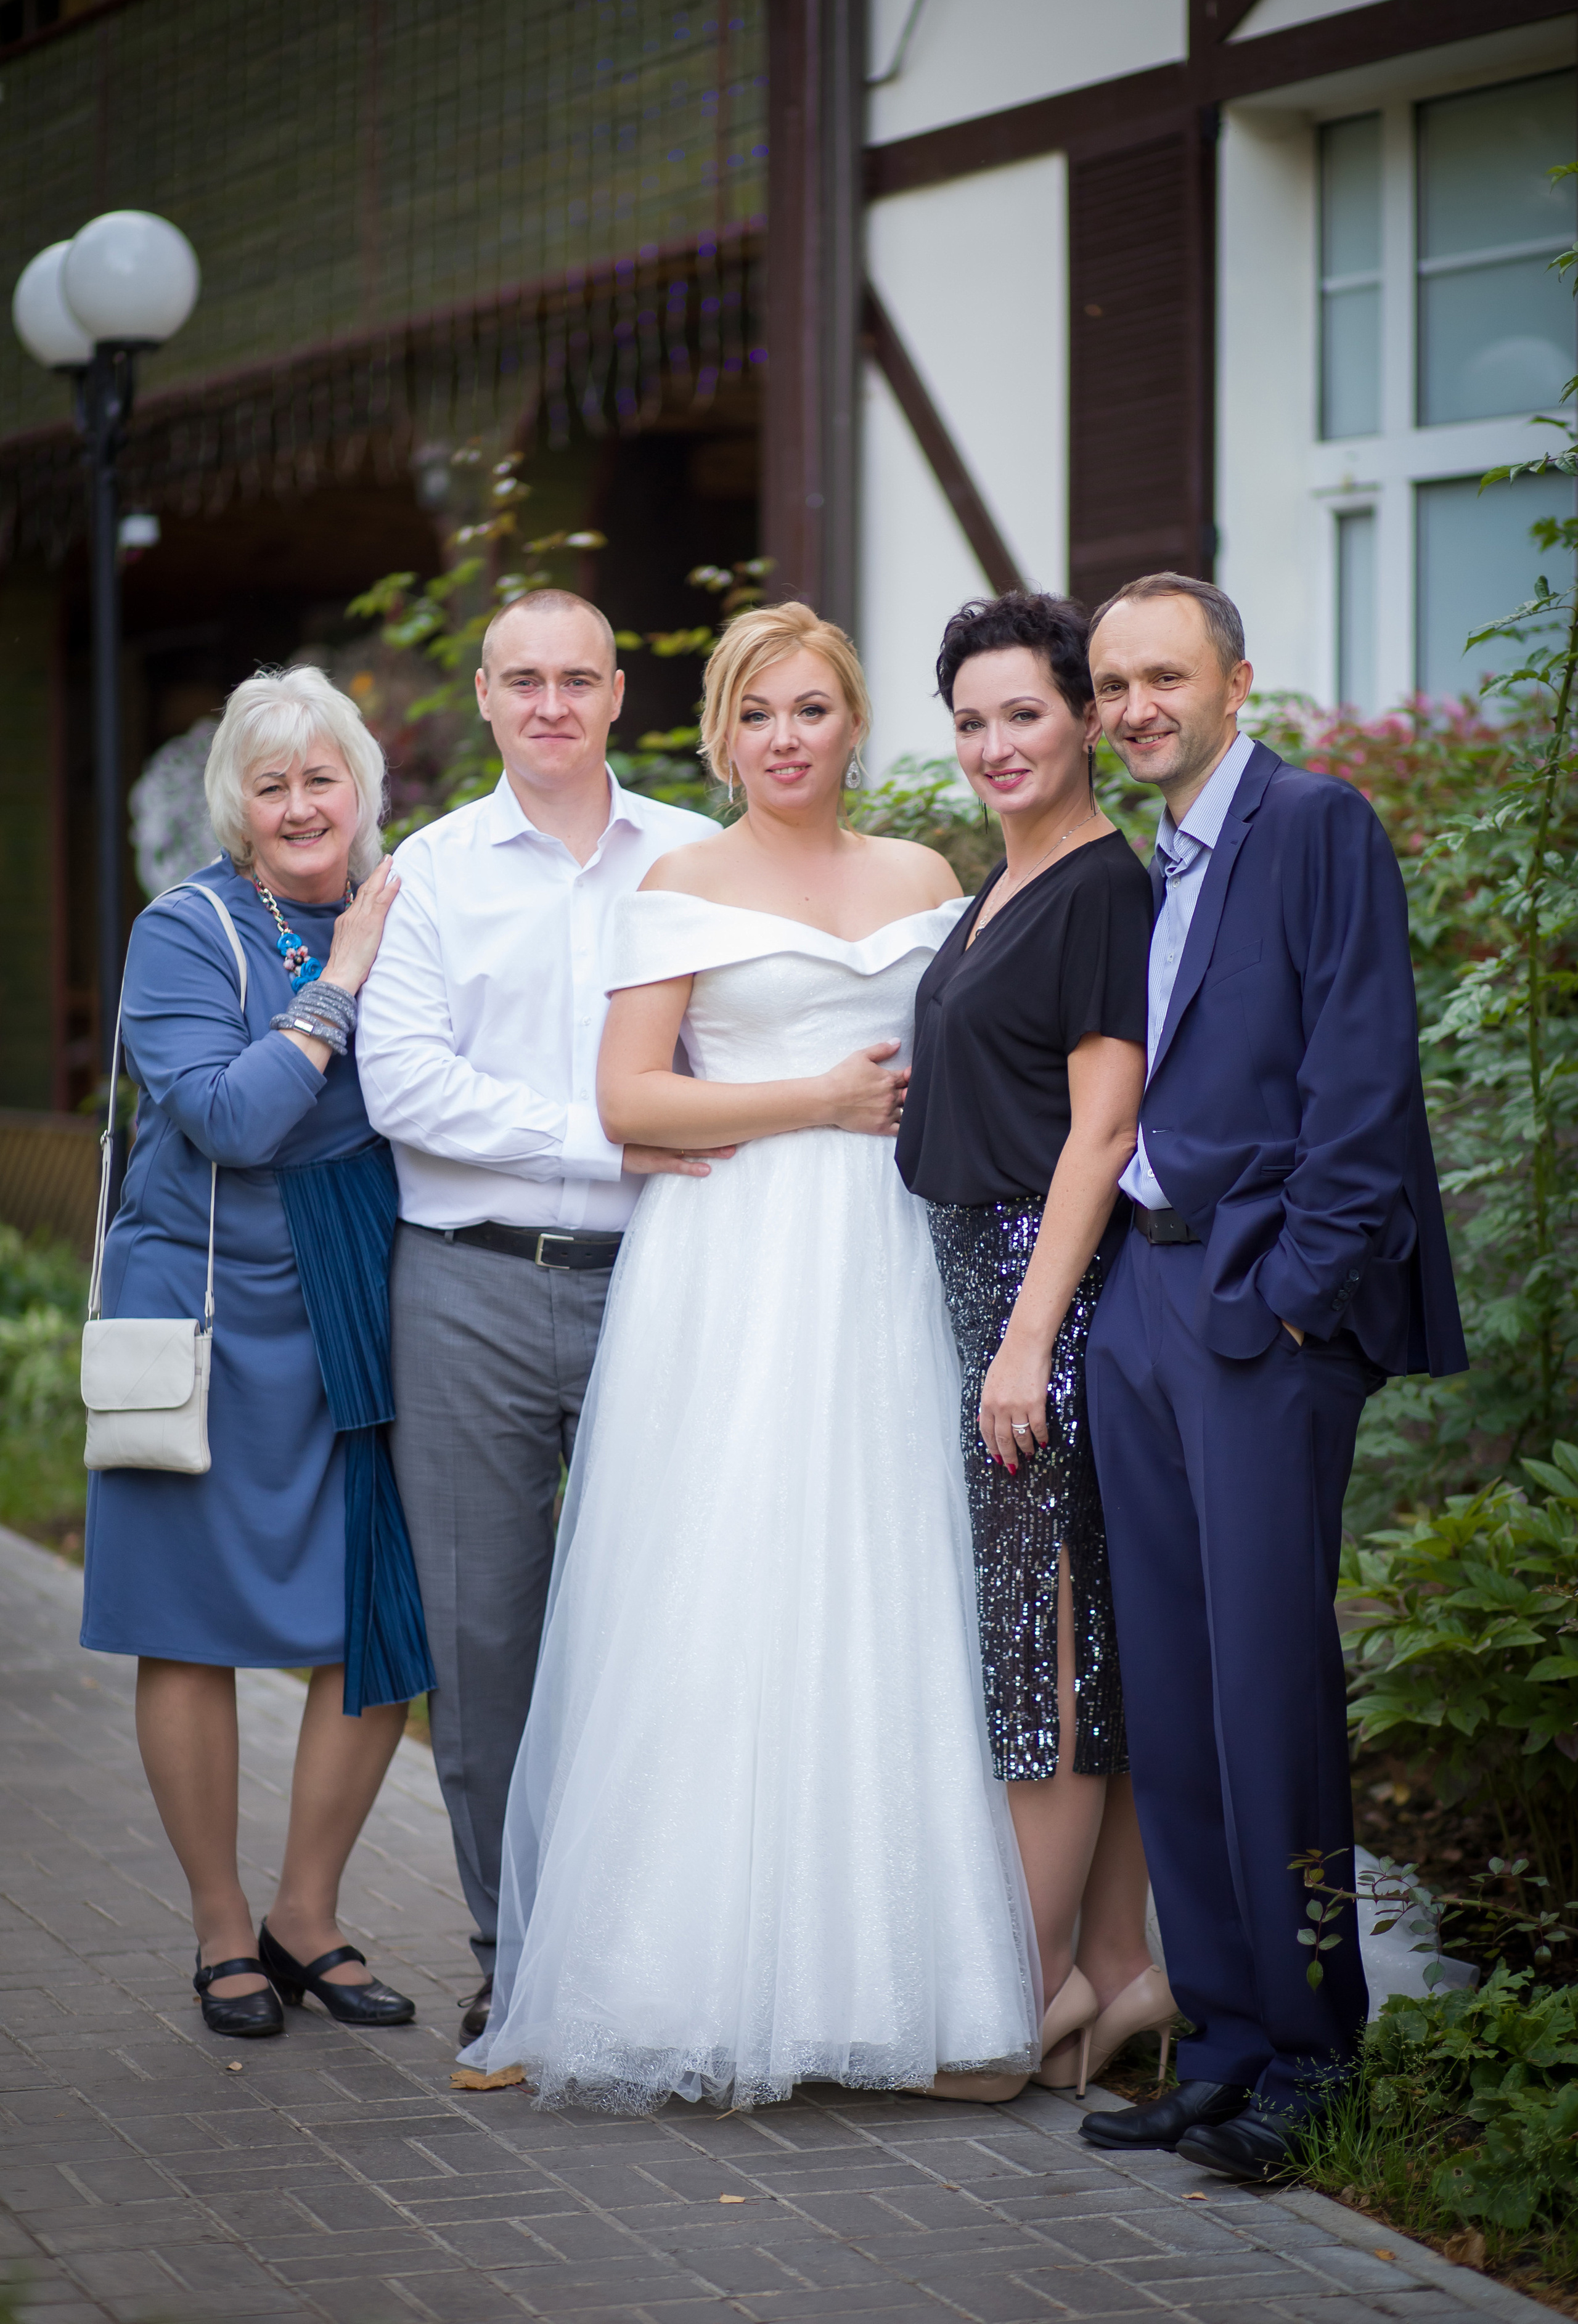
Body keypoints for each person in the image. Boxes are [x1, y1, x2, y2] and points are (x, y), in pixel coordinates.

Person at [462, 600, 1042, 2111]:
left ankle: (896, 1986)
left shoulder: (925, 876)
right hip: (731, 1270)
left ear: (855, 727)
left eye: (813, 711)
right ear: (718, 735)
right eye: (757, 714)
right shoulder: (679, 878)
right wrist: (809, 1101)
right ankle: (682, 1976)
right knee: (720, 1583)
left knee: (880, 1580)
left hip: (884, 1267)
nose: (786, 740)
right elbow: (629, 1103)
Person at [1077, 574, 1465, 2181]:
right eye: (1113, 684)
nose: (1135, 706)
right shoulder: (1146, 863)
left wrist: (1297, 1299)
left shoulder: (1315, 825)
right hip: (1142, 1307)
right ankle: (1225, 2035)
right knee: (1172, 1690)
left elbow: (1364, 1076)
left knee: (1270, 1688)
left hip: (1257, 1314)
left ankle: (1315, 2048)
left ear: (1237, 679)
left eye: (1164, 675)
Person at [355, 590, 721, 2049]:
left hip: (670, 1286)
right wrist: (614, 1128)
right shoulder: (430, 872)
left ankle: (659, 1951)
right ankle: (517, 1956)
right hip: (465, 1291)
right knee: (487, 1641)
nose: (552, 704)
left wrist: (645, 1137)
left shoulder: (698, 857)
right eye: (525, 682)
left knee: (676, 1628)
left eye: (579, 679)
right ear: (487, 702)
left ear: (619, 693)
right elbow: (406, 1091)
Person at [81, 666, 431, 2040]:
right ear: (238, 805)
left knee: (373, 1617)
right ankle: (224, 1933)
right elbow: (228, 1120)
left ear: (361, 789)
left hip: (359, 1282)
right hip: (205, 1301)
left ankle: (309, 1914)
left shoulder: (413, 907)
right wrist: (338, 985)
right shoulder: (185, 932)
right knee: (190, 1627)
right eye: (271, 784)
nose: (299, 805)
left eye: (320, 778)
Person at [897, 592, 1174, 2099]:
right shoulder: (998, 886)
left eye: (1023, 712)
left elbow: (1101, 1129)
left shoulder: (1094, 889)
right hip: (986, 1287)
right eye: (969, 719)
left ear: (1081, 719)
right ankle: (1116, 1974)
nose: (994, 743)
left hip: (1035, 1295)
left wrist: (1024, 1340)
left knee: (1038, 1659)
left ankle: (1014, 1999)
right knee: (1075, 1642)